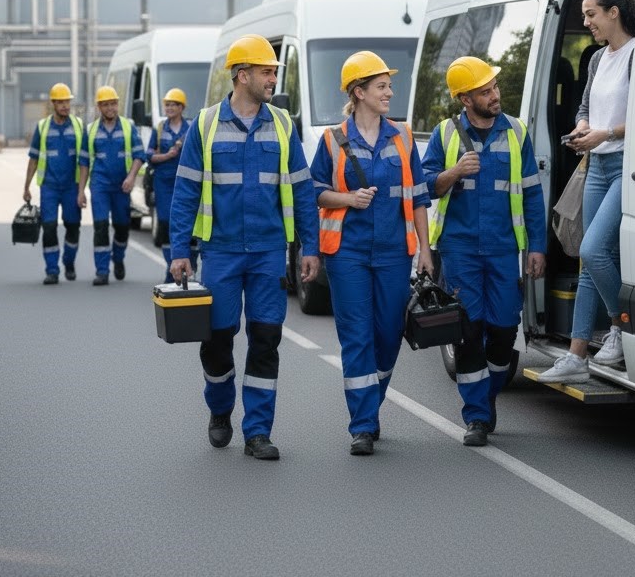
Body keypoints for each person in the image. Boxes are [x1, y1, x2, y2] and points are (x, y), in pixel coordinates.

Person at [168, 34, 320, 461]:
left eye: (274, 72)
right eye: (266, 71)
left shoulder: (283, 124)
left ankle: (258, 431)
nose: (273, 79)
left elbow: (302, 190)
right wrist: (180, 250)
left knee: (266, 338)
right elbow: (186, 191)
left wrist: (310, 246)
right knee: (218, 338)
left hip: (269, 250)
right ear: (241, 75)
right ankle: (220, 409)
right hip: (220, 251)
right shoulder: (205, 124)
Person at [310, 51, 432, 456]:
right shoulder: (333, 139)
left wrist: (425, 250)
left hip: (395, 252)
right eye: (381, 86)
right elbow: (314, 191)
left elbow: (418, 196)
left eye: (389, 86)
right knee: (357, 336)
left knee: (388, 333)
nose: (389, 92)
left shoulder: (403, 136)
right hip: (347, 253)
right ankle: (362, 425)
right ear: (358, 92)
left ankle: (370, 402)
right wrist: (348, 199)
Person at [422, 56, 547, 446]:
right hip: (459, 250)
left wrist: (537, 246)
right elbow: (424, 185)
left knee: (504, 329)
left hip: (503, 249)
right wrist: (454, 172)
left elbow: (532, 194)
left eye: (494, 87)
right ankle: (476, 415)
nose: (495, 95)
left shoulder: (516, 132)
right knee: (468, 330)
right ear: (465, 99)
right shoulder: (445, 134)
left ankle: (488, 395)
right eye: (485, 91)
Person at [536, 0, 635, 383]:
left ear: (614, 12)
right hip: (595, 165)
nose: (586, 22)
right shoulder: (597, 58)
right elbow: (585, 106)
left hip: (626, 166)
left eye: (591, 14)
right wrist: (583, 127)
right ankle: (577, 357)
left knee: (595, 250)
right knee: (586, 261)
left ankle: (621, 325)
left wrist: (605, 134)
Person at [77, 85, 143, 287]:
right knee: (101, 226)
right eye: (105, 105)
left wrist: (131, 177)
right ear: (99, 107)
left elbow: (140, 155)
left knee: (122, 227)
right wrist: (81, 191)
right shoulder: (90, 130)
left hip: (122, 187)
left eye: (113, 104)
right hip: (100, 186)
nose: (110, 108)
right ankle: (102, 271)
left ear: (117, 105)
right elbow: (84, 162)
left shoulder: (128, 127)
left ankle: (118, 257)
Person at [23, 82, 84, 285]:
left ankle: (69, 261)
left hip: (71, 186)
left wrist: (82, 189)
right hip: (49, 186)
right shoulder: (42, 127)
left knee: (73, 226)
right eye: (61, 102)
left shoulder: (78, 126)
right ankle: (52, 270)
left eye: (67, 102)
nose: (65, 106)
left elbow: (85, 159)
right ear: (53, 104)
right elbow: (33, 158)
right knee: (48, 227)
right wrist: (26, 186)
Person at [145, 87, 198, 282]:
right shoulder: (160, 129)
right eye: (167, 105)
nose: (169, 108)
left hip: (187, 182)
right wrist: (167, 155)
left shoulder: (191, 127)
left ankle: (191, 267)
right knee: (167, 223)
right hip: (164, 184)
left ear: (181, 107)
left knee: (190, 226)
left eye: (173, 105)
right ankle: (172, 270)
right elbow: (149, 155)